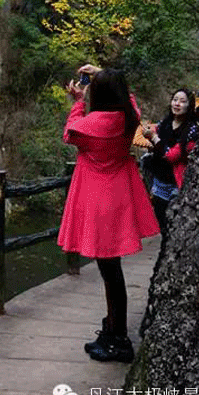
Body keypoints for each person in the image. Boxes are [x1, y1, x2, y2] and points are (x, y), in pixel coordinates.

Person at [58, 64, 160, 363]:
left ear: (98, 94)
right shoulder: (129, 119)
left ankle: (118, 339)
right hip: (119, 195)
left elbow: (70, 132)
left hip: (97, 198)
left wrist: (78, 100)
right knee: (111, 270)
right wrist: (107, 77)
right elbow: (131, 104)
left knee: (110, 272)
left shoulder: (92, 123)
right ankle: (113, 330)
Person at [141, 88, 198, 235]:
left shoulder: (191, 130)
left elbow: (172, 156)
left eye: (182, 101)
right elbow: (157, 149)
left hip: (176, 184)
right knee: (162, 226)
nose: (177, 104)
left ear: (189, 105)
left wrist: (154, 137)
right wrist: (150, 138)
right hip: (159, 181)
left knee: (172, 229)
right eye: (175, 100)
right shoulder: (164, 123)